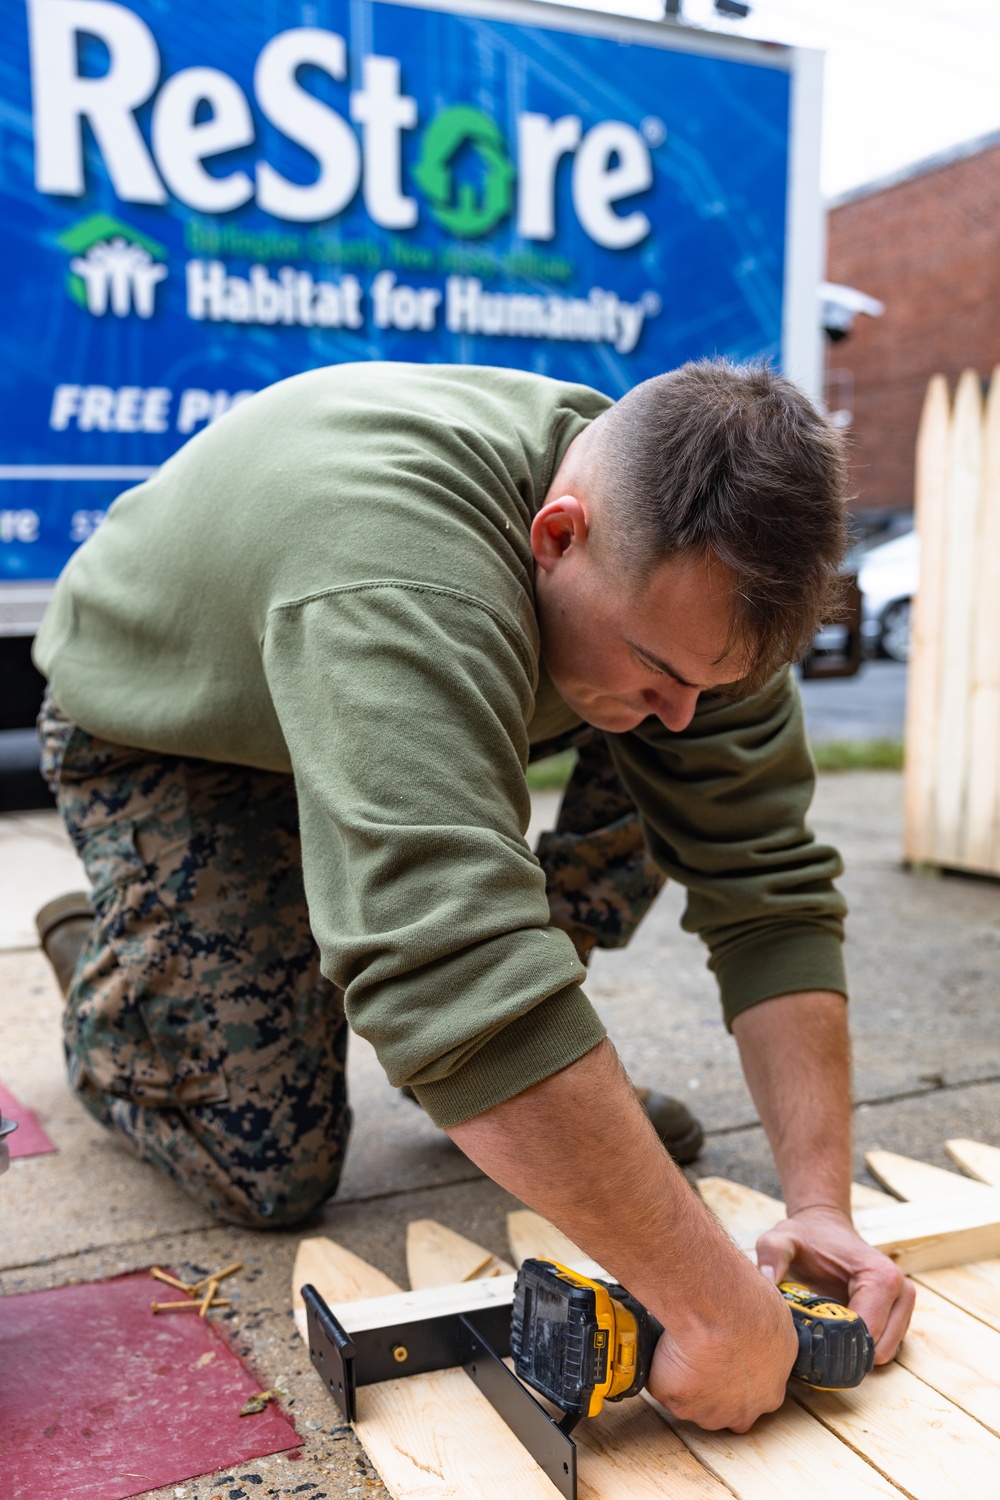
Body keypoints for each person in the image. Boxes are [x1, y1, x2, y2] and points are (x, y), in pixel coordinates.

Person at [32, 357, 914, 1431]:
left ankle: (514, 1095)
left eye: (708, 684)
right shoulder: (403, 563)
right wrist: (717, 1312)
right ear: (556, 535)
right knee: (264, 1169)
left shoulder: (697, 585)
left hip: (401, 681)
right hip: (179, 730)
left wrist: (819, 1206)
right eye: (658, 667)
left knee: (659, 761)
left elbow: (766, 888)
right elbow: (444, 966)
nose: (686, 714)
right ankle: (126, 983)